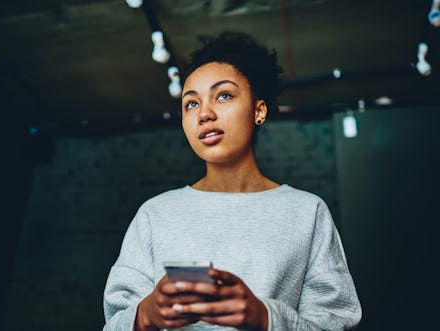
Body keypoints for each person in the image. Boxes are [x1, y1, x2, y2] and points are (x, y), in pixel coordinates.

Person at [102, 32, 361, 331]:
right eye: (191, 104)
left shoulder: (306, 212)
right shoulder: (154, 214)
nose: (205, 114)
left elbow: (336, 322)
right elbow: (114, 323)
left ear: (259, 110)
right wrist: (144, 315)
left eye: (223, 95)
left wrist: (265, 318)